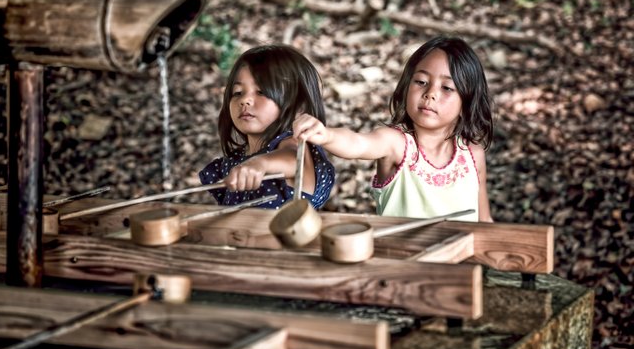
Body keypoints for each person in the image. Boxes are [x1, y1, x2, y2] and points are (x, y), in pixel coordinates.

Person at [293, 35, 493, 222]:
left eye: (447, 88)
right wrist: (327, 135)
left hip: (460, 258)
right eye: (421, 82)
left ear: (466, 102)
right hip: (400, 257)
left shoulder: (473, 155)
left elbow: (484, 222)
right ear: (406, 87)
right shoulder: (397, 144)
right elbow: (359, 143)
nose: (430, 93)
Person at [198, 44, 335, 210]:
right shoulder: (235, 162)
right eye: (237, 92)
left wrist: (260, 164)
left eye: (262, 92)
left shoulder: (296, 145)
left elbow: (293, 159)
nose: (245, 100)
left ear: (299, 105)